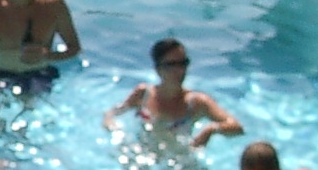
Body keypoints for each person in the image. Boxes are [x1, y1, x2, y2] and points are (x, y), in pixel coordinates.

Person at [102, 38, 243, 147]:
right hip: (143, 155)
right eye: (172, 65)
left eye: (183, 63)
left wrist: (211, 129)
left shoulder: (196, 102)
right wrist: (115, 131)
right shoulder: (143, 94)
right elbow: (111, 113)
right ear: (158, 69)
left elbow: (237, 127)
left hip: (179, 161)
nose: (179, 71)